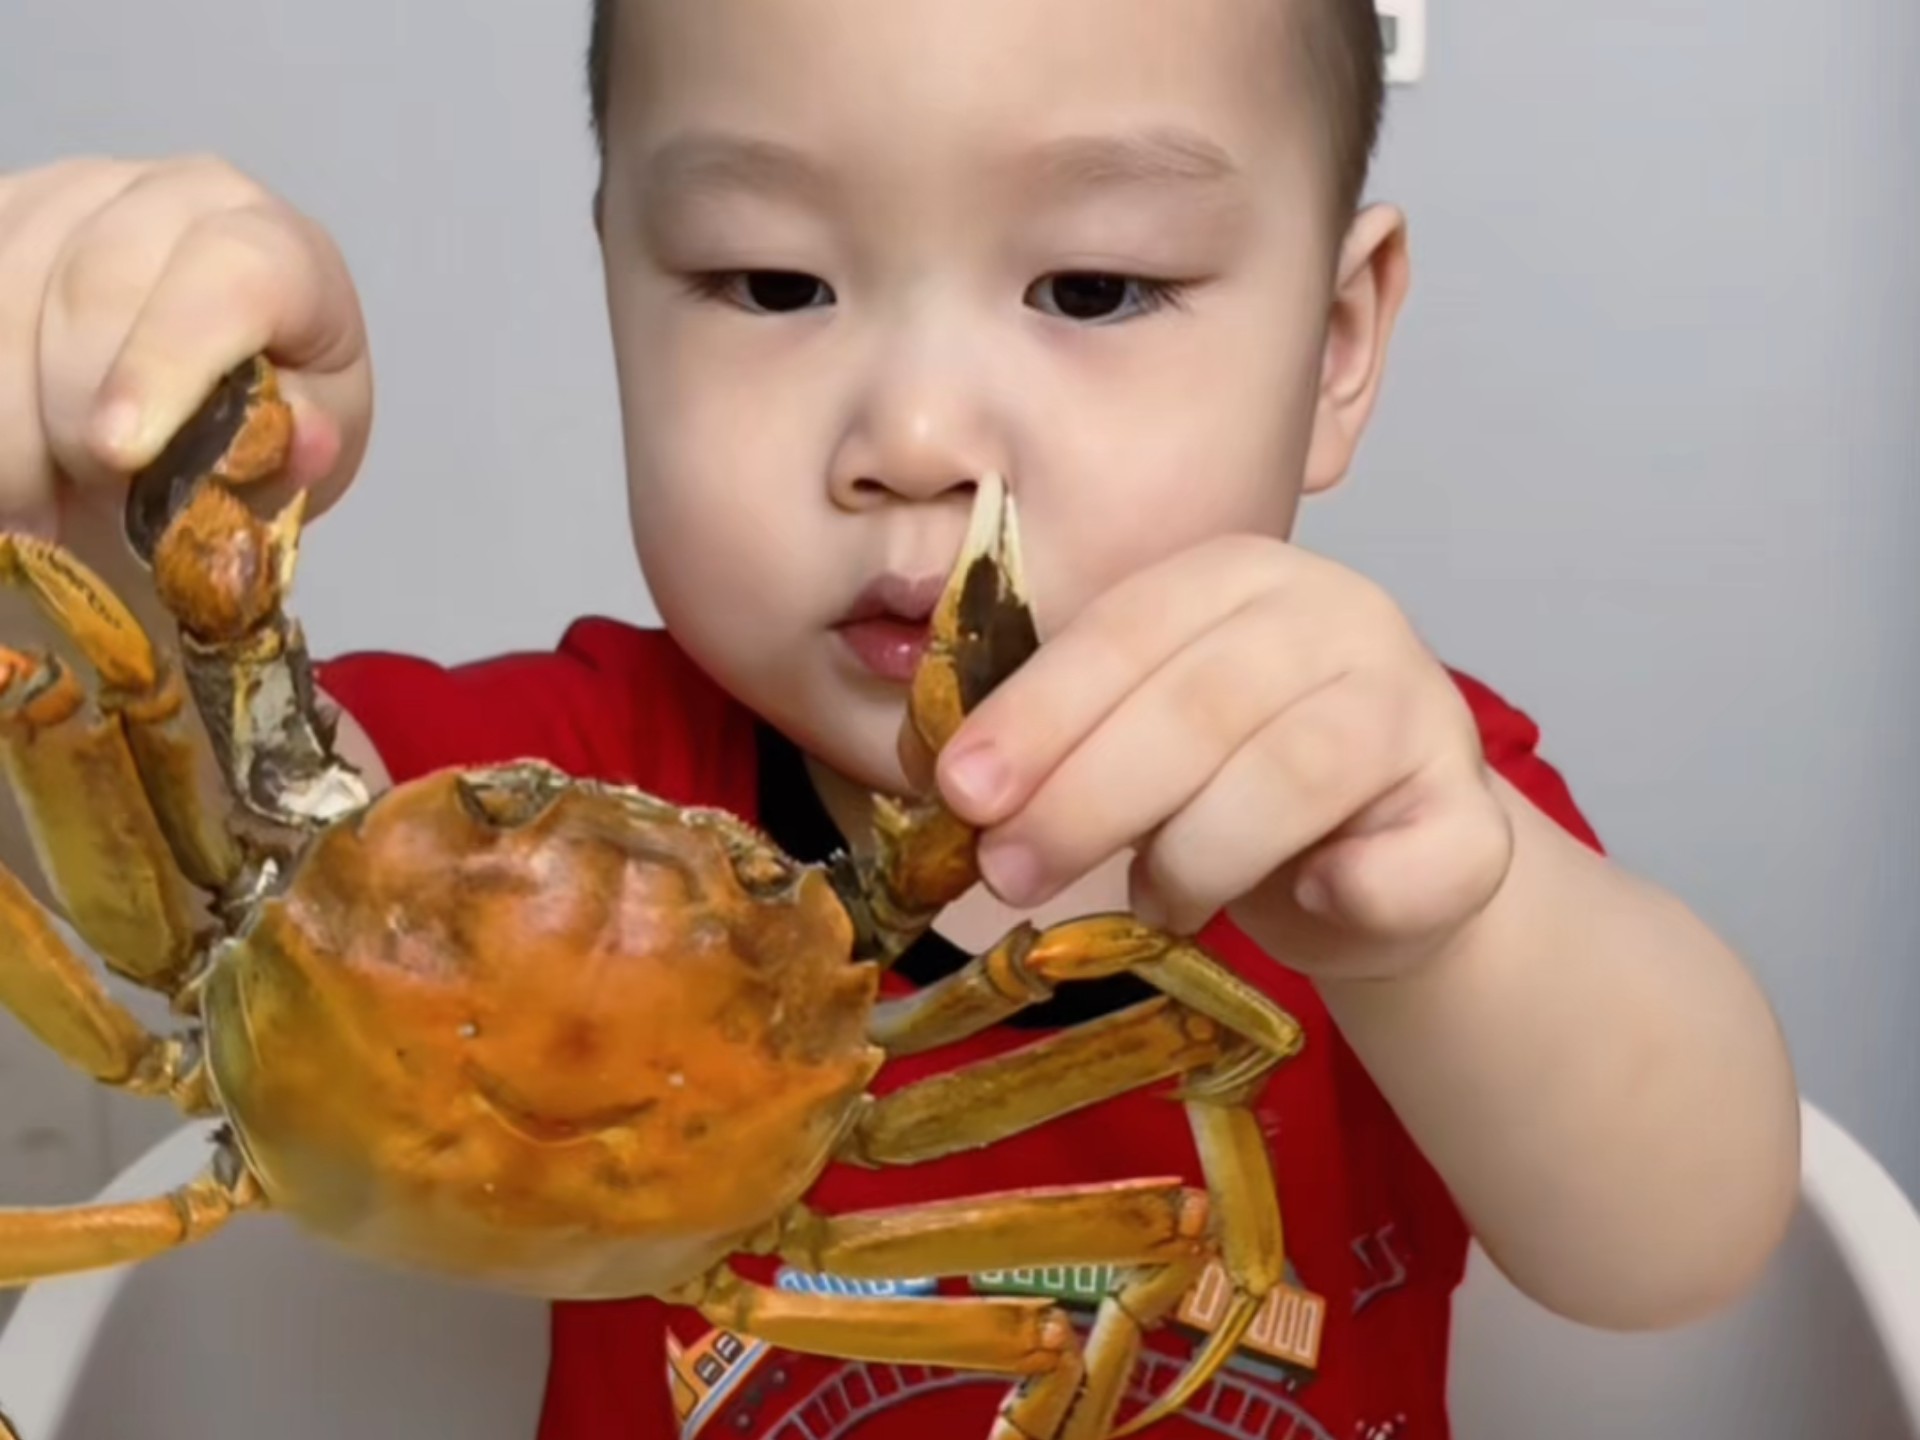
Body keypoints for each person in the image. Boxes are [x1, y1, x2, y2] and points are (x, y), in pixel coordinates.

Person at [0, 1, 1802, 1437]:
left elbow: (1682, 1244)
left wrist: (1456, 929)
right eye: (771, 283)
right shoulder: (533, 818)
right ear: (618, 280)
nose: (919, 437)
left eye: (1093, 288)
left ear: (1335, 348)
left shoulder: (1378, 809)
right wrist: (90, 509)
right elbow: (170, 832)